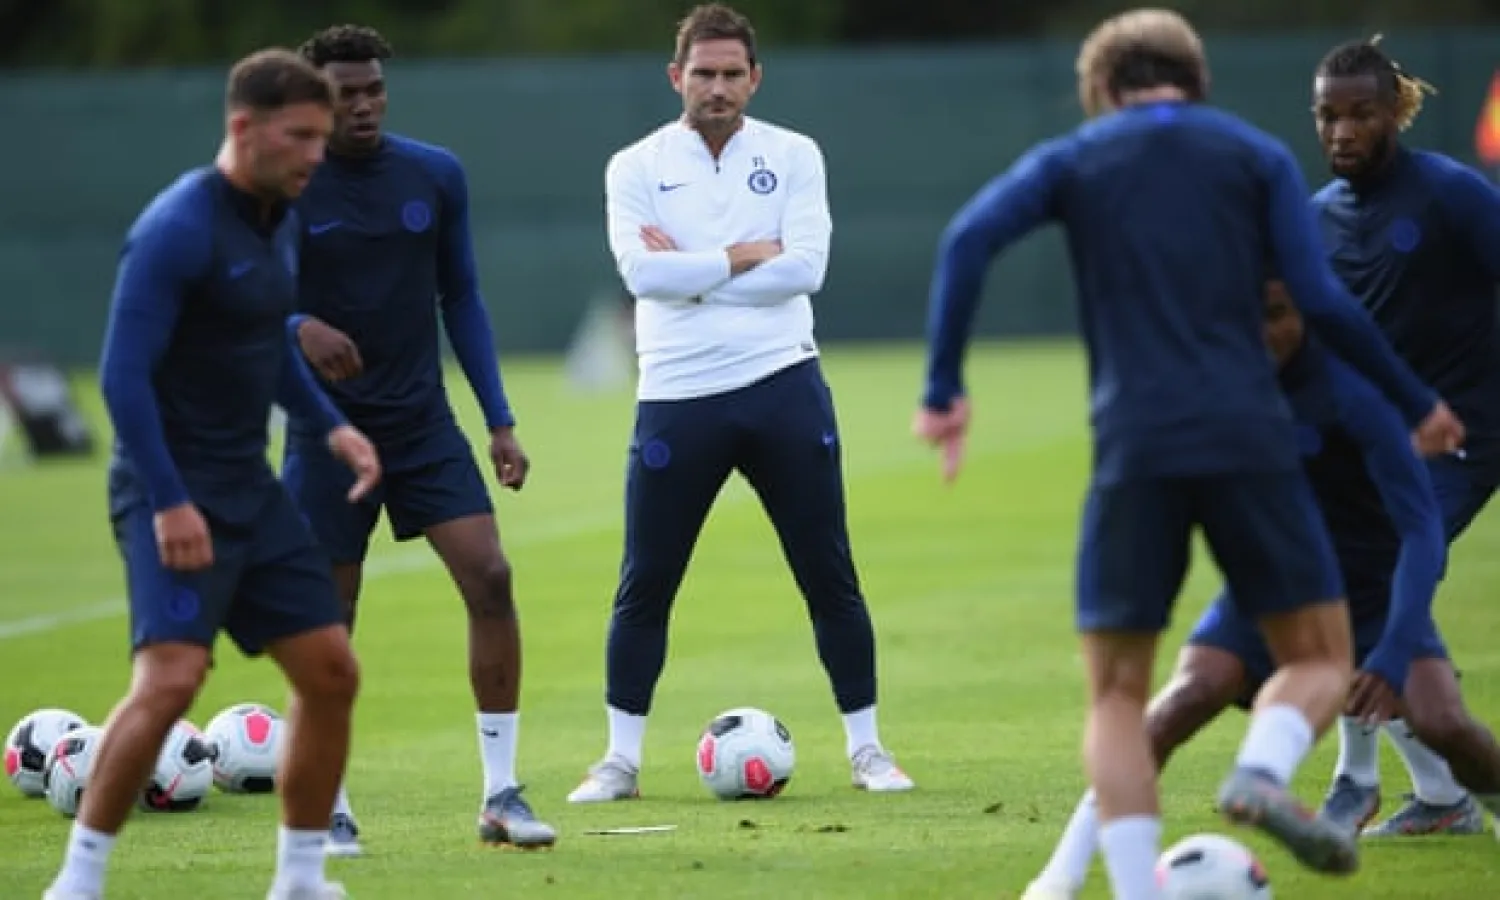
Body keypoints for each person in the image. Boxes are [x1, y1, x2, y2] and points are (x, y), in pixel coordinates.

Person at [912, 10, 1463, 899]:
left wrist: (943, 389)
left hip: (1134, 447)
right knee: (1320, 656)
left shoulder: (1077, 157)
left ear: (1101, 90)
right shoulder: (1254, 156)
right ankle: (1262, 768)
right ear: (1195, 80)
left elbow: (968, 239)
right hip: (1250, 439)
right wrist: (1417, 402)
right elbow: (1320, 299)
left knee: (1120, 701)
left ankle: (1134, 891)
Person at [1021, 281, 1500, 899]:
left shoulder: (1355, 396)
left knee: (1446, 723)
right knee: (1183, 700)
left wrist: (1396, 645)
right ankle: (1058, 879)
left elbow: (1421, 531)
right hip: (1273, 586)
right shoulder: (1219, 392)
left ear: (1305, 313)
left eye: (1276, 315)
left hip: (1372, 591)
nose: (1262, 333)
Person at [45, 49, 379, 900]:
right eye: (300, 136)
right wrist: (168, 502)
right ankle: (77, 884)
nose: (316, 154)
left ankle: (301, 879)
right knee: (170, 683)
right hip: (173, 489)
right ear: (244, 128)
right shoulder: (176, 228)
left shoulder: (282, 217)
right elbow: (121, 375)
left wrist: (333, 428)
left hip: (250, 491)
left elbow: (266, 343)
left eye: (322, 136)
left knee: (332, 673)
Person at [568, 2, 914, 804]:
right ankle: (619, 762)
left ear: (754, 78)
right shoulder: (635, 165)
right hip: (676, 394)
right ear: (675, 77)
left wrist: (694, 270)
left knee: (828, 571)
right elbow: (640, 276)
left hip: (782, 382)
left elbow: (805, 270)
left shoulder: (794, 155)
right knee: (646, 580)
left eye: (731, 73)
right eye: (703, 73)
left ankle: (867, 749)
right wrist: (738, 254)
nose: (717, 87)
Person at [285, 24, 553, 853]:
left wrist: (499, 418)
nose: (362, 105)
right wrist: (301, 326)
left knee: (491, 575)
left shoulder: (433, 173)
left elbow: (461, 298)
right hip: (326, 432)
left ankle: (502, 795)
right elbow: (249, 299)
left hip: (421, 421)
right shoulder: (287, 183)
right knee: (329, 618)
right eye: (344, 92)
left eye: (373, 90)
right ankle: (327, 801)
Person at [1308, 36, 1500, 838]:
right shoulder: (1315, 219)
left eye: (1361, 114)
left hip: (1467, 433)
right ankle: (1441, 794)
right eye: (1328, 115)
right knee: (1340, 574)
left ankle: (1366, 779)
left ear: (1396, 113)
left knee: (1372, 565)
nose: (1343, 131)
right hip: (1379, 443)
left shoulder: (1452, 195)